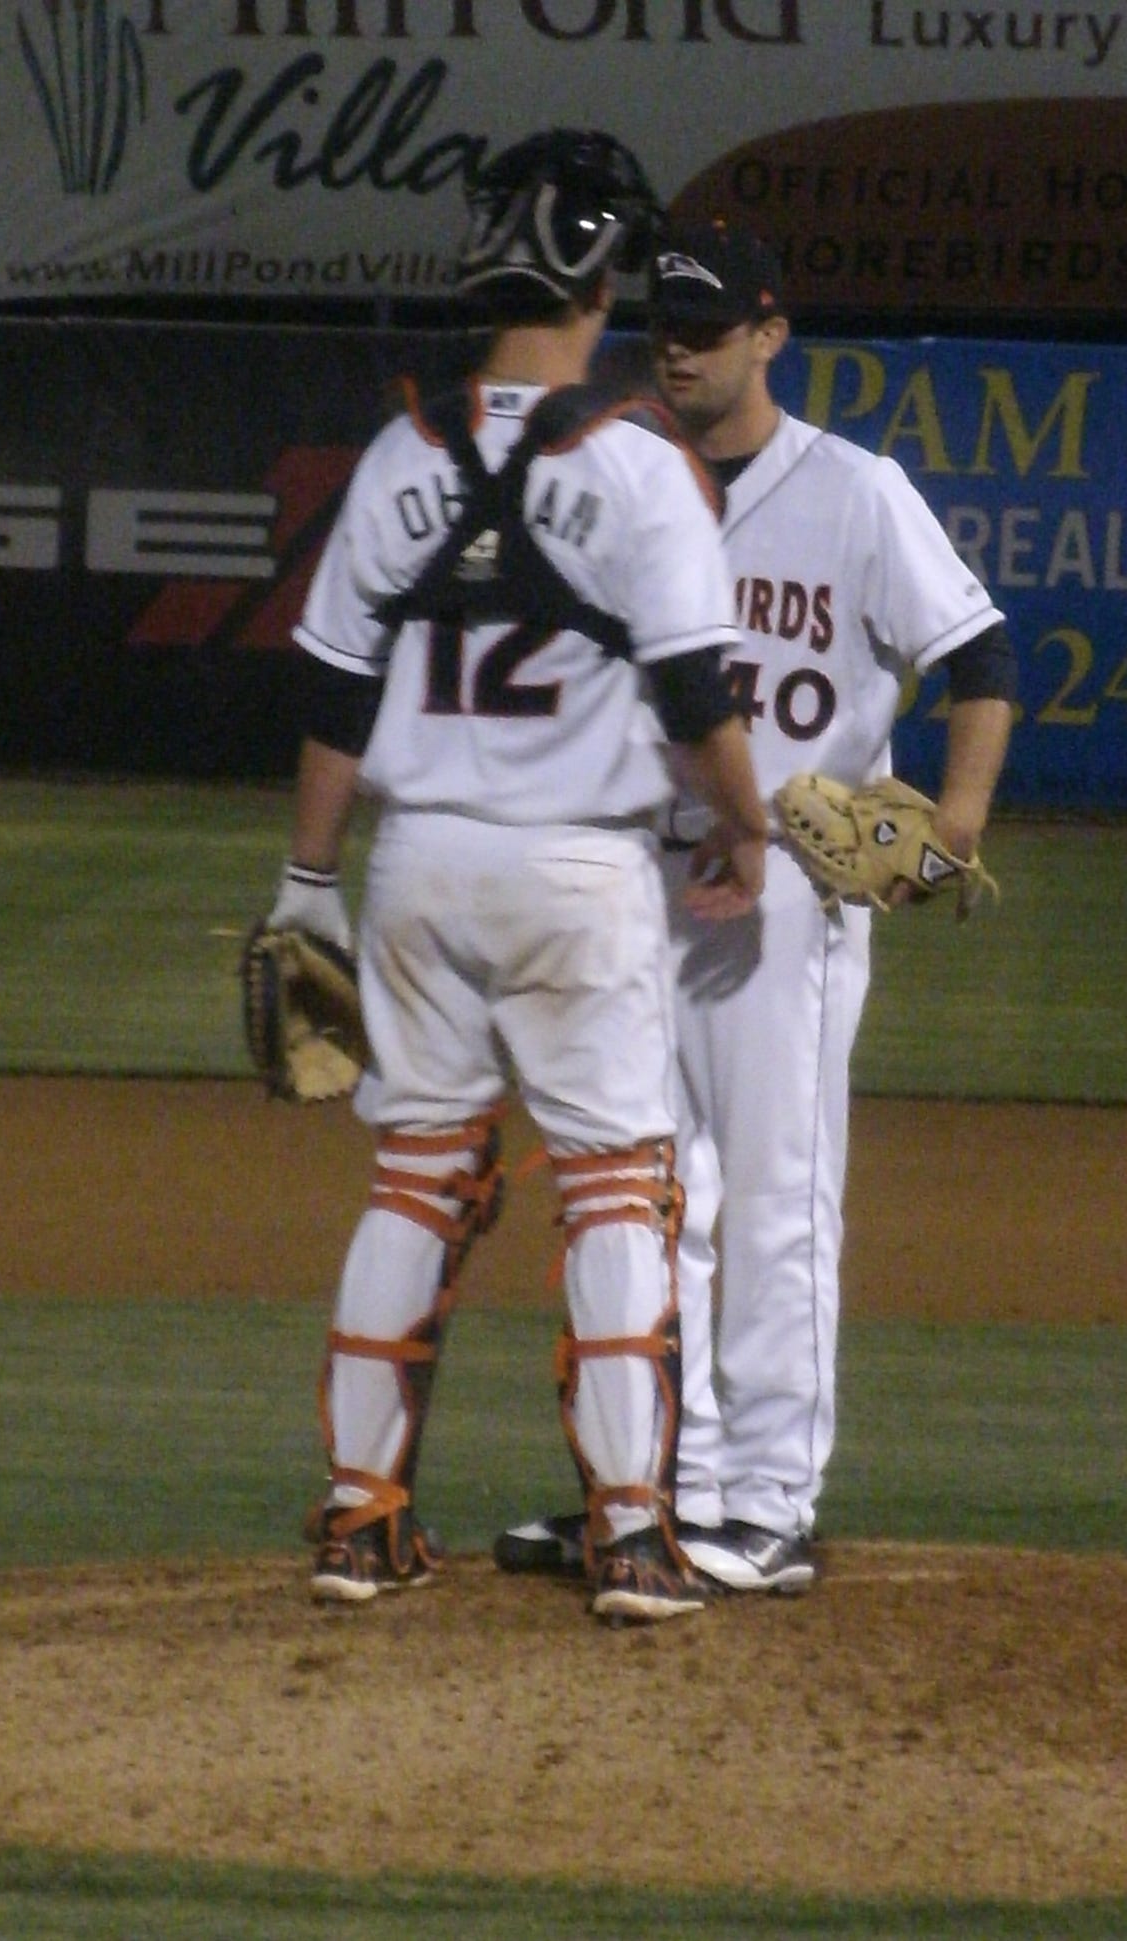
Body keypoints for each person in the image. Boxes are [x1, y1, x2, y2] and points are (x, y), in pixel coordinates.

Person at [266, 144, 771, 1626]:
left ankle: (362, 1524)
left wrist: (307, 878)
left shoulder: (400, 454)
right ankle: (630, 1535)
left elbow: (336, 693)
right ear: (602, 279)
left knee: (416, 1178)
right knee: (621, 1186)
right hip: (578, 873)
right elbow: (693, 690)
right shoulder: (637, 459)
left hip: (417, 863)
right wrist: (745, 827)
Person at [496, 219, 1016, 1593]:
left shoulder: (852, 491)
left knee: (774, 1196)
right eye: (666, 320)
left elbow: (981, 654)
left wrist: (955, 818)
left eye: (710, 325)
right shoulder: (615, 483)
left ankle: (771, 1499)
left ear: (772, 334)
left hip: (790, 893)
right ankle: (657, 1488)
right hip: (634, 879)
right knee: (650, 1199)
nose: (680, 344)